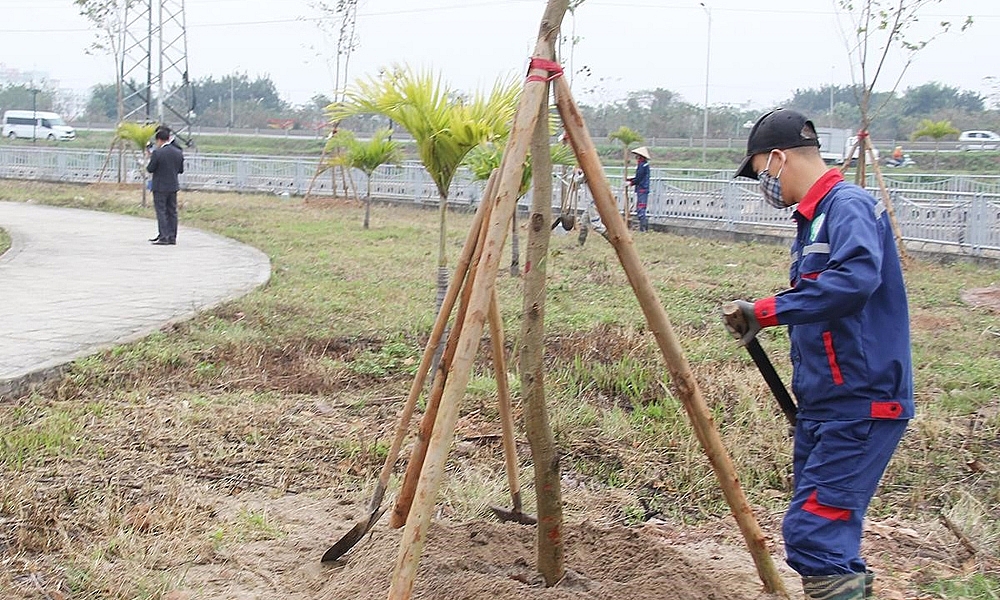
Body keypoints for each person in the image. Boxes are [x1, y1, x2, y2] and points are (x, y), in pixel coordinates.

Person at [723, 109, 913, 600]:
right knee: (829, 535)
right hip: (828, 403)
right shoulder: (813, 220)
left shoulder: (845, 205)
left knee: (814, 534)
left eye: (761, 169)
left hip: (861, 402)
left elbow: (851, 283)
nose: (763, 182)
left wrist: (765, 310)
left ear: (781, 158)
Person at [146, 127, 185, 245]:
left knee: (161, 211)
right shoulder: (178, 152)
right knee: (172, 211)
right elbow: (181, 170)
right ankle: (172, 237)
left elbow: (150, 169)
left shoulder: (158, 153)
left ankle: (163, 236)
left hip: (160, 187)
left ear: (159, 140)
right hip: (173, 186)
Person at [627, 146, 651, 232]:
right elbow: (638, 177)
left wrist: (631, 183)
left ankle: (643, 228)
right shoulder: (644, 165)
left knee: (641, 208)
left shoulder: (642, 165)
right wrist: (630, 180)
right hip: (642, 189)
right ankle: (643, 227)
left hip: (642, 190)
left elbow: (639, 178)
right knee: (640, 208)